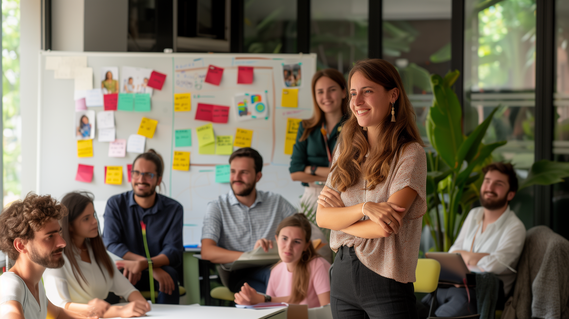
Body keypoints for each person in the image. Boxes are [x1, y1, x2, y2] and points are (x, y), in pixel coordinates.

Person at [316, 59, 427, 319]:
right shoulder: (345, 149)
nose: (356, 101)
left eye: (367, 91)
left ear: (393, 95)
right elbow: (322, 217)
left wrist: (340, 218)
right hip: (342, 276)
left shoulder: (410, 153)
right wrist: (365, 208)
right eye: (353, 93)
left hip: (386, 279)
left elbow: (384, 227)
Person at [421, 162, 526, 317]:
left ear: (510, 194)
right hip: (453, 286)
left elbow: (493, 265)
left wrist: (464, 257)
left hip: (480, 294)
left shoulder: (515, 227)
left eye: (498, 184)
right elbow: (453, 252)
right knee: (412, 310)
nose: (490, 188)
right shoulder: (474, 214)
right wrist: (476, 258)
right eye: (487, 181)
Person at [201, 147, 297, 293]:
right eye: (233, 171)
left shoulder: (277, 202)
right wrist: (252, 255)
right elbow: (207, 251)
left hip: (274, 267)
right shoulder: (217, 207)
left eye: (244, 172)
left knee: (291, 275)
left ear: (258, 176)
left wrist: (276, 246)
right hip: (237, 273)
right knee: (277, 280)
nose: (236, 177)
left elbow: (304, 232)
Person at [43, 191, 151, 318]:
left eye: (93, 215)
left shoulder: (98, 252)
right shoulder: (56, 257)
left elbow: (128, 290)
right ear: (70, 226)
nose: (95, 221)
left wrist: (141, 304)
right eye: (86, 219)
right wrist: (116, 311)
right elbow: (61, 306)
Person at [102, 149, 184, 304]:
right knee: (110, 275)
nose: (141, 179)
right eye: (136, 173)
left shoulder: (174, 209)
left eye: (149, 174)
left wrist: (146, 265)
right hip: (127, 270)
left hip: (159, 272)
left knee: (170, 275)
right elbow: (111, 243)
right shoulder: (115, 204)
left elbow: (173, 250)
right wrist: (147, 265)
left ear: (158, 180)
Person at [0, 193, 92, 319]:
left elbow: (58, 314)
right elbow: (10, 313)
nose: (63, 243)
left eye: (59, 233)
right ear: (21, 245)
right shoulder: (10, 284)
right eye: (50, 236)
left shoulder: (35, 283)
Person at [289, 69, 349, 262]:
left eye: (331, 90)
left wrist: (311, 169)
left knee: (342, 256)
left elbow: (349, 172)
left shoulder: (355, 127)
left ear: (343, 92)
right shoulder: (306, 127)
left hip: (344, 195)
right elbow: (295, 173)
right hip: (312, 199)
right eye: (320, 92)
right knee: (315, 258)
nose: (326, 97)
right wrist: (330, 172)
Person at [234, 213, 331, 308]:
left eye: (297, 241)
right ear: (276, 239)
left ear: (306, 245)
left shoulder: (319, 266)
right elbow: (270, 311)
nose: (288, 246)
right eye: (284, 238)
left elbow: (328, 312)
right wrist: (249, 303)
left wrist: (264, 299)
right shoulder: (275, 271)